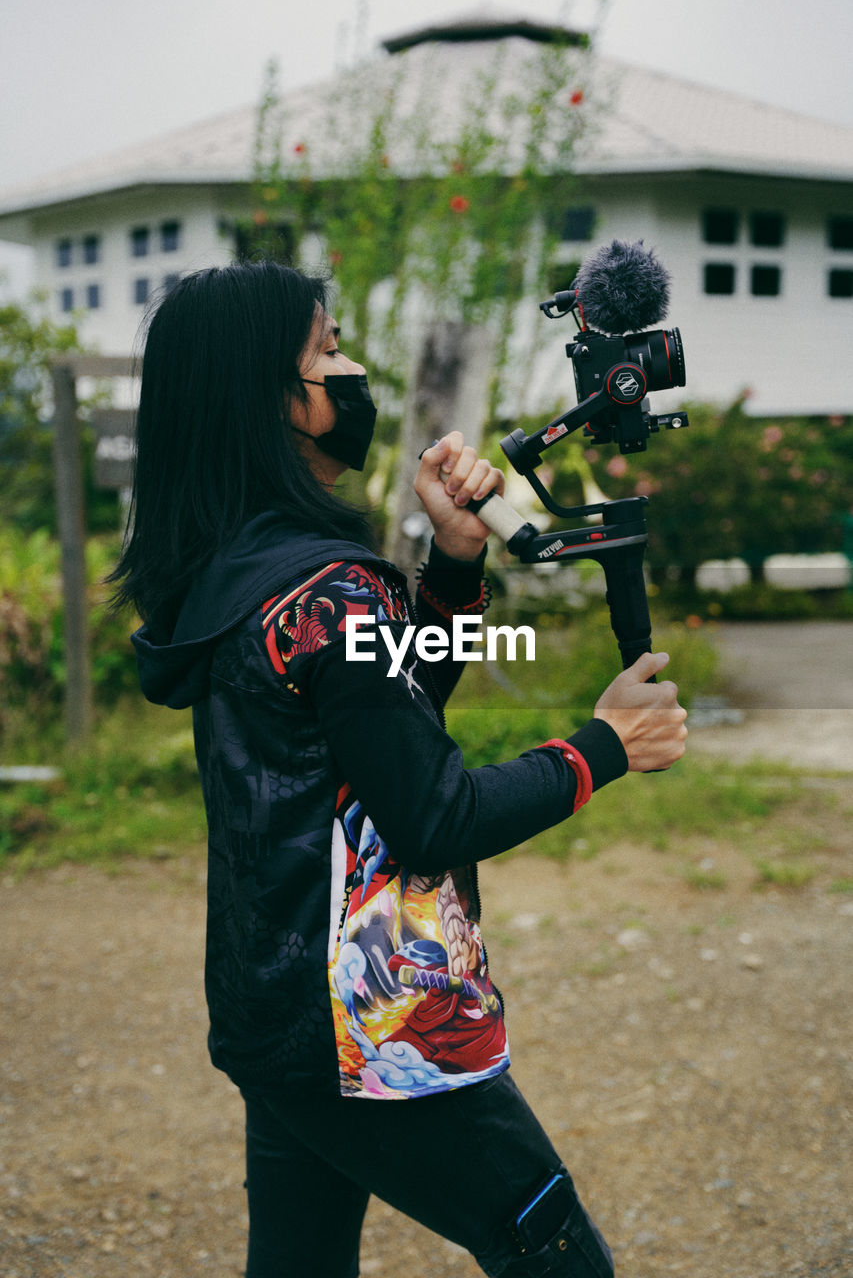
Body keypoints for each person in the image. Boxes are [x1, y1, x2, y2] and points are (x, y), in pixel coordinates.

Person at [111, 259, 687, 1278]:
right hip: (378, 1033)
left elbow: (381, 722)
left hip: (277, 1021)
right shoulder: (326, 586)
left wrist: (455, 562)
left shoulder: (241, 571)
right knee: (555, 1255)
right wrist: (604, 747)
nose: (354, 368)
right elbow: (431, 811)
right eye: (327, 351)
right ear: (271, 401)